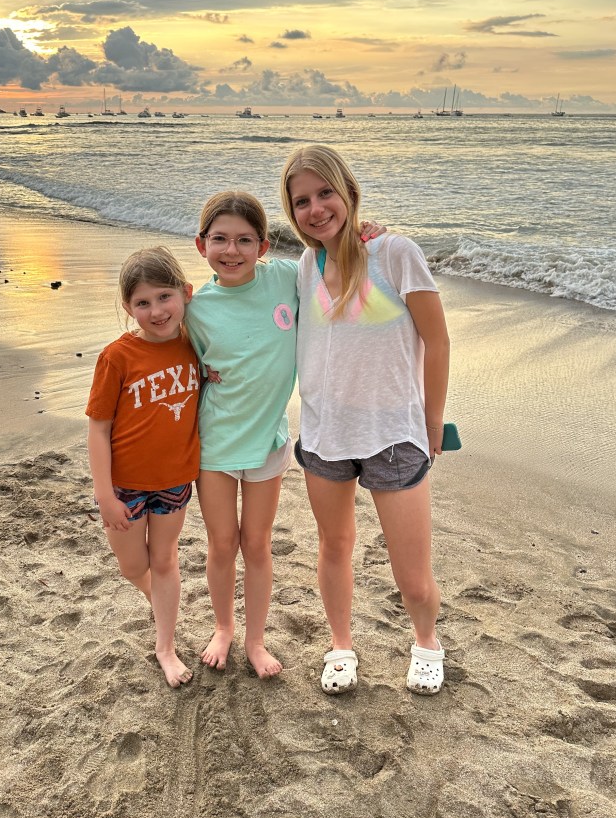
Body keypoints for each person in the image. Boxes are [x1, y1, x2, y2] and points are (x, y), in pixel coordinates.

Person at [280, 145, 451, 696]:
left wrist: (432, 423)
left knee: (412, 575)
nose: (316, 209)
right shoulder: (305, 266)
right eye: (301, 201)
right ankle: (341, 646)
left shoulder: (395, 253)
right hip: (326, 432)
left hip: (393, 435)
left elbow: (437, 340)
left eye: (325, 193)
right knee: (334, 547)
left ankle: (426, 642)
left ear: (349, 193)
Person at [187, 191, 298, 679]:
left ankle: (255, 640)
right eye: (220, 239)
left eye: (244, 240)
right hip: (214, 442)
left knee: (256, 543)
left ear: (263, 246)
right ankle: (223, 627)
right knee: (221, 542)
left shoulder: (287, 278)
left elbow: (335, 261)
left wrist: (367, 235)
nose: (231, 251)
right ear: (201, 245)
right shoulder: (195, 308)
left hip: (267, 441)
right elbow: (180, 361)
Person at [86, 247, 200, 688]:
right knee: (134, 567)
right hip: (125, 486)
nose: (157, 311)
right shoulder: (117, 356)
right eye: (143, 302)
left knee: (165, 559)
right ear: (128, 307)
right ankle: (161, 602)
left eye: (165, 296)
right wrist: (105, 495)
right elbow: (98, 430)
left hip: (175, 479)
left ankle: (164, 646)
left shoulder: (196, 344)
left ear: (185, 293)